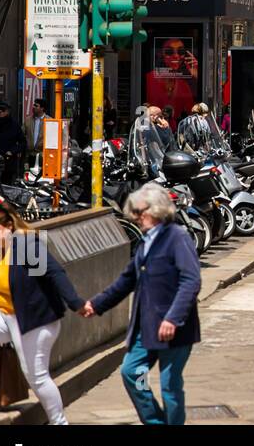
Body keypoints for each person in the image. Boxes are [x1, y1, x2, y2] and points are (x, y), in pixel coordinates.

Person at [0, 203, 87, 420]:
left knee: (37, 377)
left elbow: (55, 272)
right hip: (3, 313)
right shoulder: (0, 248)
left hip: (33, 320)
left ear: (9, 226)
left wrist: (76, 303)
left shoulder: (27, 246)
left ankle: (60, 422)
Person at [82, 182, 201, 425]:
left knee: (170, 386)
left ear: (156, 210)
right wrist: (96, 304)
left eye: (139, 212)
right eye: (134, 213)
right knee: (131, 372)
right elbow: (127, 280)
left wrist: (172, 318)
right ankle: (156, 422)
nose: (136, 218)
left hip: (174, 330)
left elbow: (191, 281)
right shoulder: (146, 241)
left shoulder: (176, 237)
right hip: (145, 327)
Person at [24, 98, 47, 166]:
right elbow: (22, 135)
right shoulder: (28, 120)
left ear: (42, 108)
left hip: (42, 156)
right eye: (33, 105)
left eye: (36, 106)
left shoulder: (49, 121)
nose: (33, 107)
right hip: (29, 155)